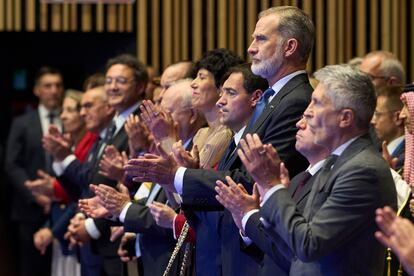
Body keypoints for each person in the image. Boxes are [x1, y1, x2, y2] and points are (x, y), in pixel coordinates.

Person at [218, 64, 397, 275]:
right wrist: (251, 216)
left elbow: (309, 246)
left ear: (345, 118)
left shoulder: (363, 170)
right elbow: (293, 253)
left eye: (317, 103)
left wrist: (273, 187)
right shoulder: (336, 163)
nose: (307, 112)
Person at [5, 66, 64, 276]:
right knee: (31, 268)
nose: (54, 90)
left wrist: (58, 192)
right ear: (37, 90)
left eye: (58, 85)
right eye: (48, 86)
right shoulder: (22, 123)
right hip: (29, 210)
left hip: (64, 209)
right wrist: (36, 195)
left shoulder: (70, 120)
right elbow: (11, 164)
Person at [31, 90, 96, 276]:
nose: (63, 116)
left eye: (69, 110)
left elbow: (80, 193)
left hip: (76, 229)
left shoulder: (90, 144)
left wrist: (52, 231)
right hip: (64, 229)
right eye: (63, 110)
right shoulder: (73, 143)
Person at [371, 86, 405, 171]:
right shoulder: (377, 148)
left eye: (377, 114)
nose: (372, 121)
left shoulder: (405, 157)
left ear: (397, 117)